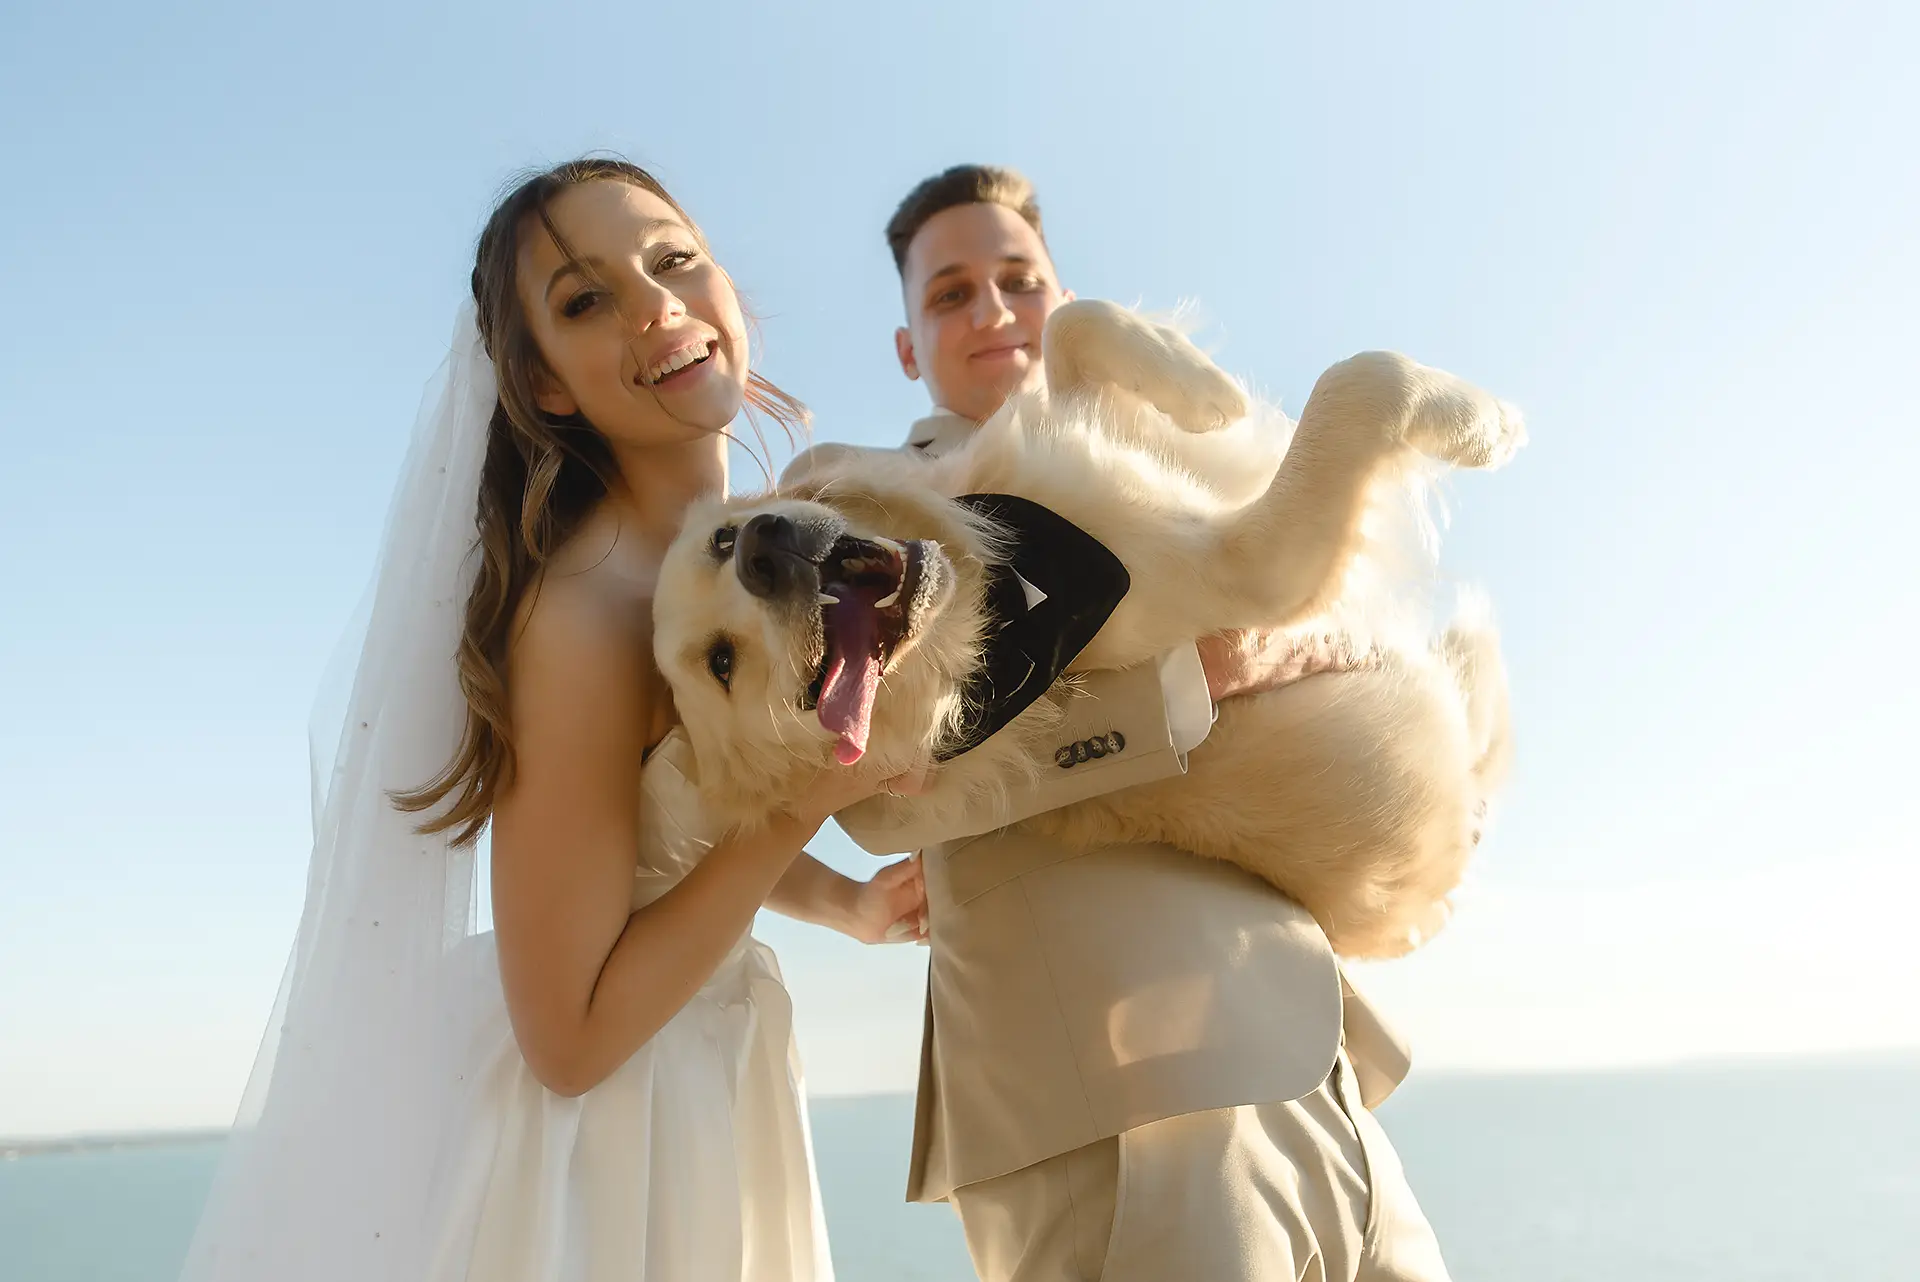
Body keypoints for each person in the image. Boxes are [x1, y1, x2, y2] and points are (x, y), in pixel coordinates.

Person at [176, 157, 928, 1282]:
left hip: (708, 1083)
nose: (654, 305)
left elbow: (664, 832)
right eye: (586, 301)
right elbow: (566, 1041)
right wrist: (814, 797)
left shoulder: (734, 555)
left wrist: (852, 906)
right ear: (546, 383)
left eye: (674, 260)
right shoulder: (580, 614)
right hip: (604, 1156)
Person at [792, 164, 1453, 1281]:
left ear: (1060, 299)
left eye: (1019, 280)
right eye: (951, 293)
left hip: (1320, 1062)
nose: (993, 309)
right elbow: (867, 782)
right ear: (907, 346)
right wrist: (1190, 683)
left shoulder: (1168, 461)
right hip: (1108, 1090)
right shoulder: (849, 499)